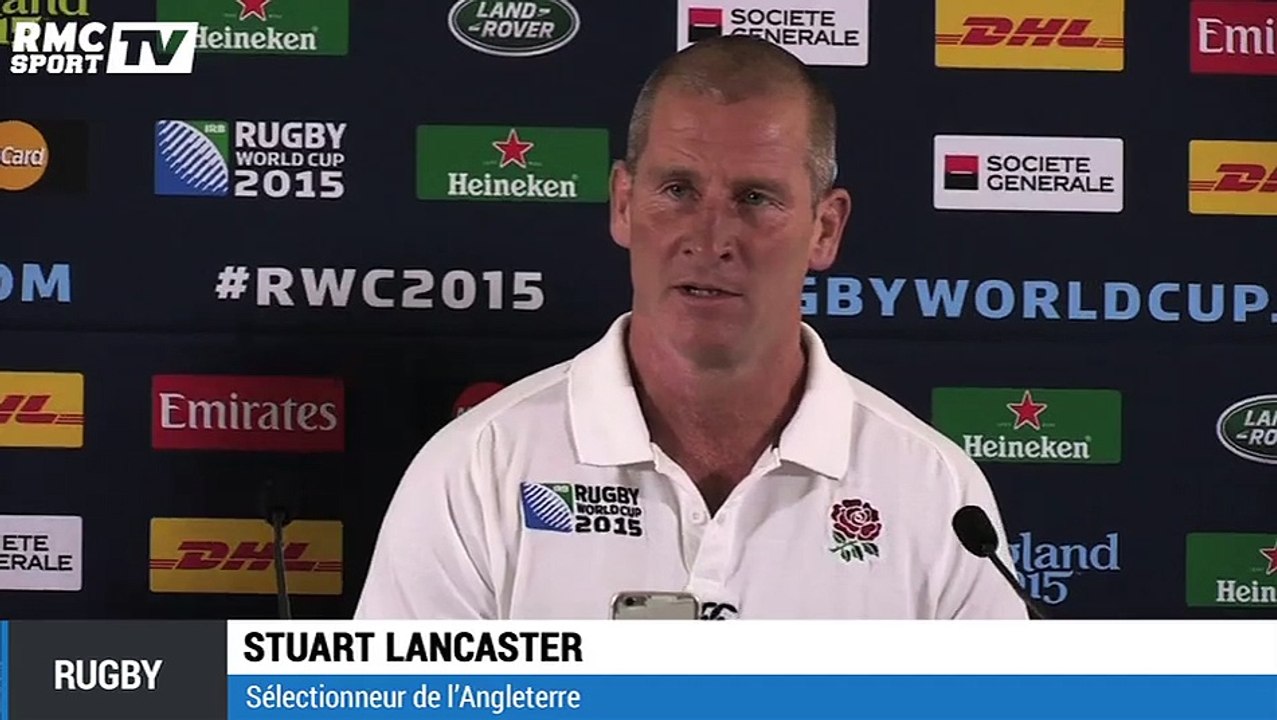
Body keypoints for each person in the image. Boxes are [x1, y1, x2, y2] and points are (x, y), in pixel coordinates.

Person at [355, 35, 1028, 620]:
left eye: (755, 198)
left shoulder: (936, 492)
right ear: (623, 204)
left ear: (824, 228)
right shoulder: (477, 469)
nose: (711, 239)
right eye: (677, 191)